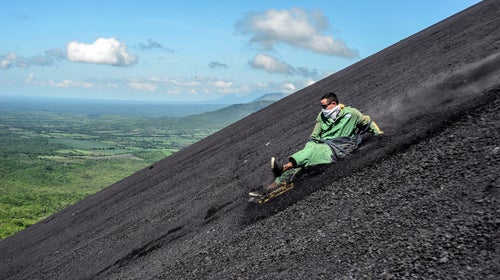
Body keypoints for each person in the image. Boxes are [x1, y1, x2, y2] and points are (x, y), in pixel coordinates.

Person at [266, 92, 384, 192]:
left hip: (338, 148)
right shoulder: (321, 116)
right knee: (304, 160)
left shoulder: (351, 113)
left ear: (333, 104)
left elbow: (367, 122)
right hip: (322, 146)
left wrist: (378, 134)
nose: (322, 109)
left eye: (324, 106)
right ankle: (271, 187)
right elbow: (314, 135)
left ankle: (283, 168)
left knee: (311, 152)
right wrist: (310, 146)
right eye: (321, 107)